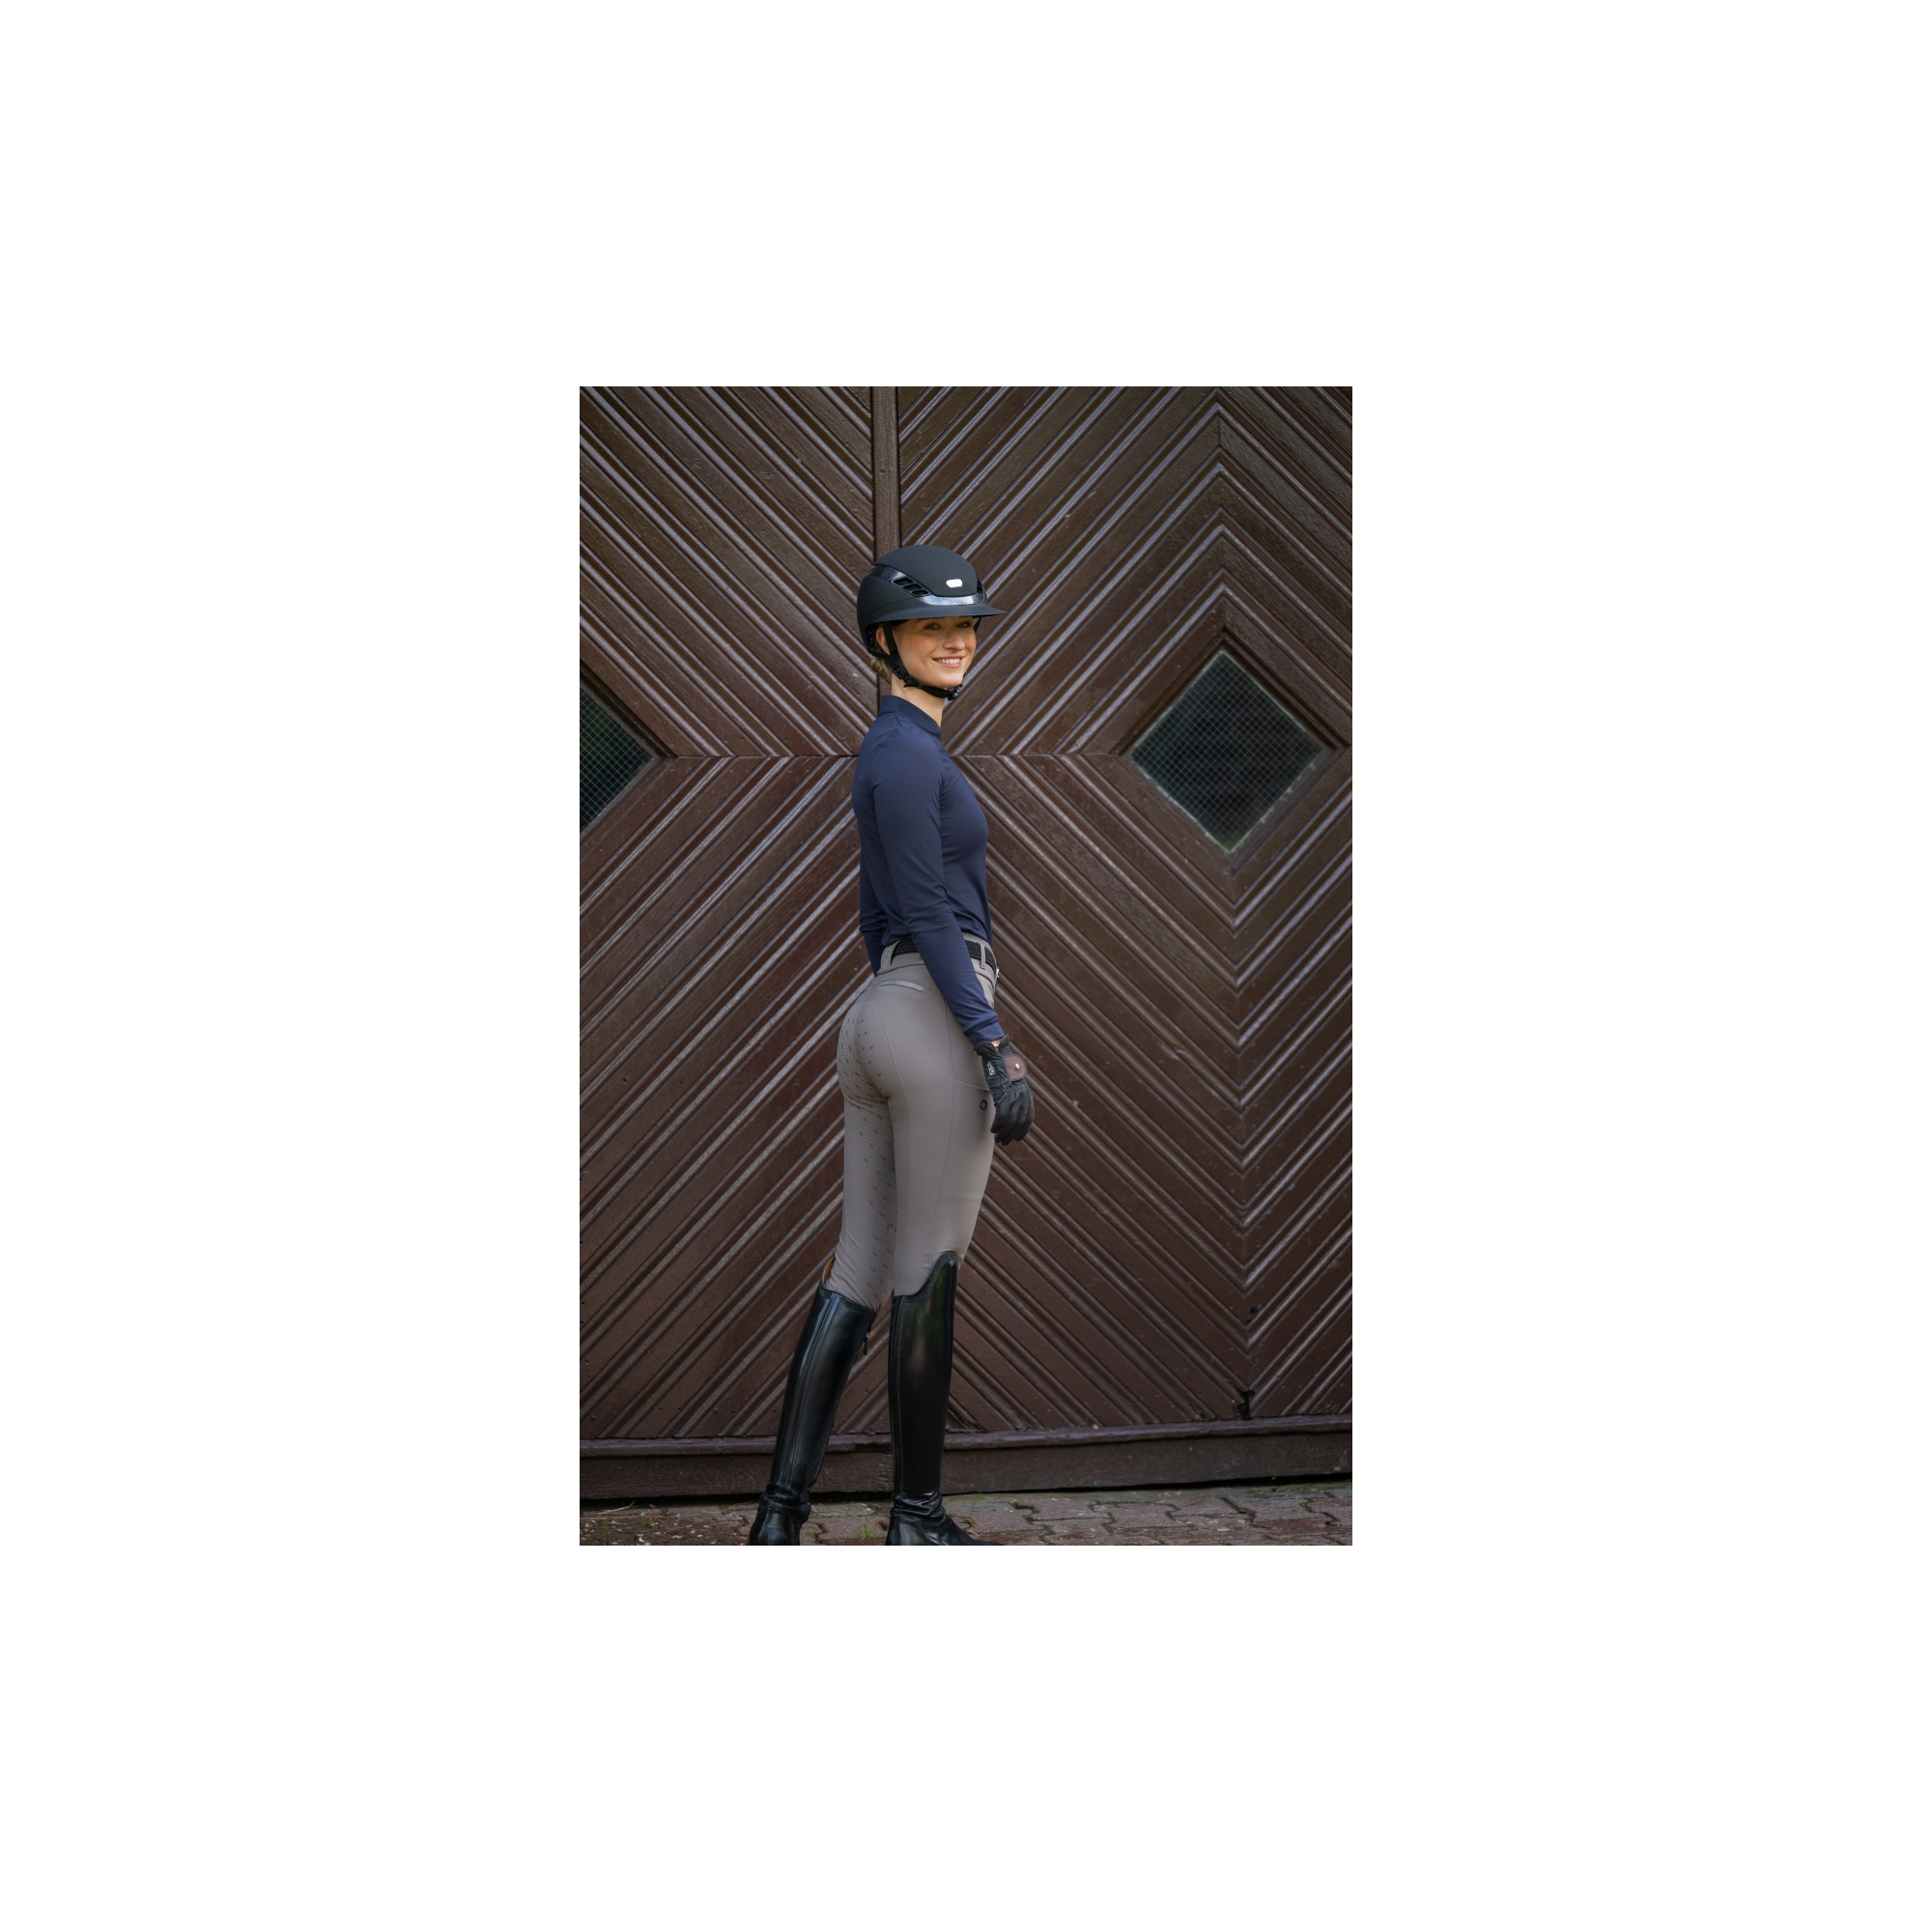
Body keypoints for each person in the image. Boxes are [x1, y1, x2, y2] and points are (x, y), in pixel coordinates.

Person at [748, 544, 1036, 1546]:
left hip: (881, 1012)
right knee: (927, 1267)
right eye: (932, 628)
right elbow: (922, 903)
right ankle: (916, 1517)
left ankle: (778, 1517)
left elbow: (880, 911)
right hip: (934, 1020)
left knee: (858, 1270)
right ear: (884, 641)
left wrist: (897, 994)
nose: (957, 641)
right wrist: (990, 1040)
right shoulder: (911, 755)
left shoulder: (889, 749)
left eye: (966, 625)